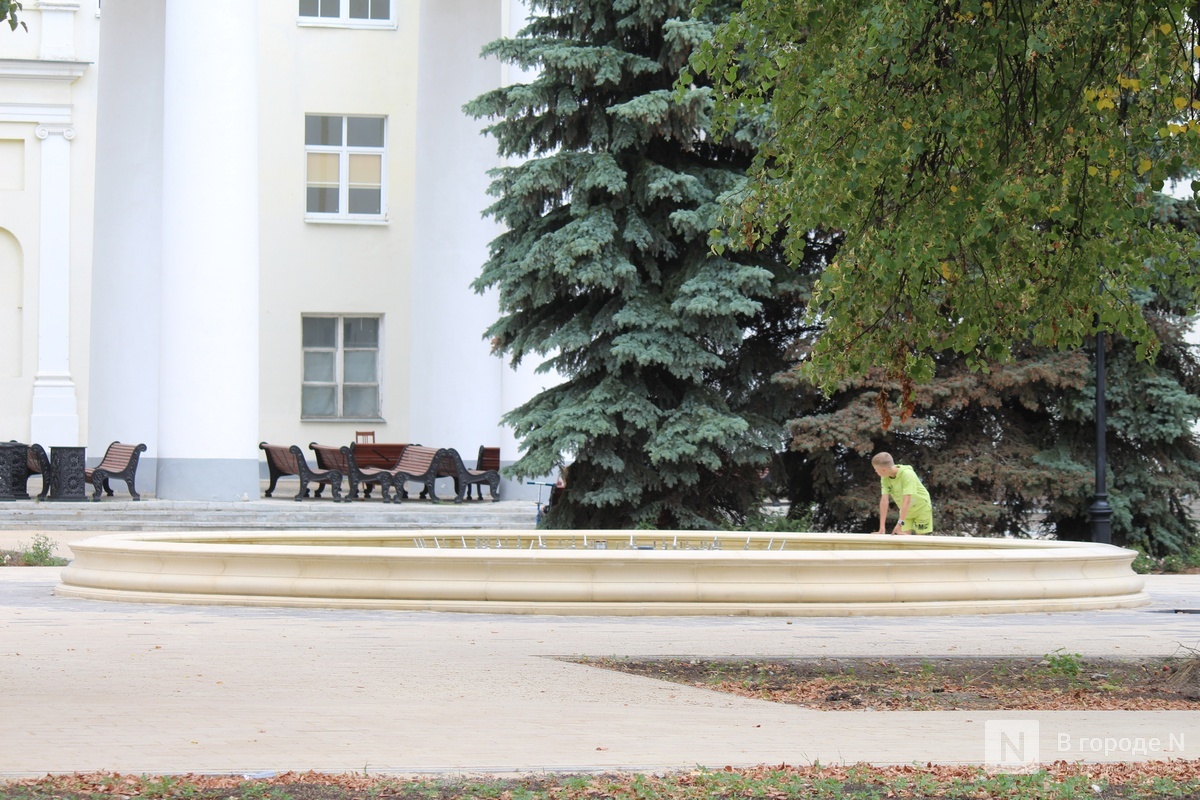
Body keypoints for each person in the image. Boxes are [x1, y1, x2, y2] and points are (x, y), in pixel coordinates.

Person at [872, 452, 933, 535]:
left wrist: (899, 524)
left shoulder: (907, 474)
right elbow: (884, 501)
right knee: (904, 538)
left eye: (876, 469)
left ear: (884, 470)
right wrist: (882, 527)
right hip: (906, 510)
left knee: (920, 540)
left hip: (921, 508)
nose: (875, 471)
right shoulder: (884, 478)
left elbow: (907, 500)